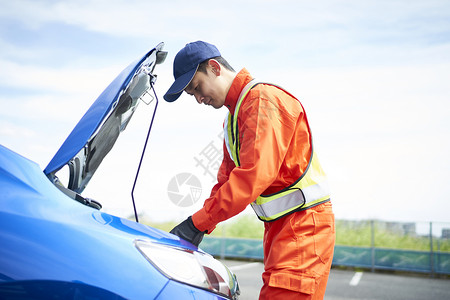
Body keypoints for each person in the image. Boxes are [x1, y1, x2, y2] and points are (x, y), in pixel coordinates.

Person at [164, 41, 335, 300]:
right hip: (281, 230)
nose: (199, 99)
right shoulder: (234, 117)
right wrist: (195, 225)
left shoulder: (263, 100)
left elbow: (253, 176)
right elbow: (226, 182)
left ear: (214, 67)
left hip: (303, 229)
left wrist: (197, 224)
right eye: (192, 95)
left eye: (197, 87)